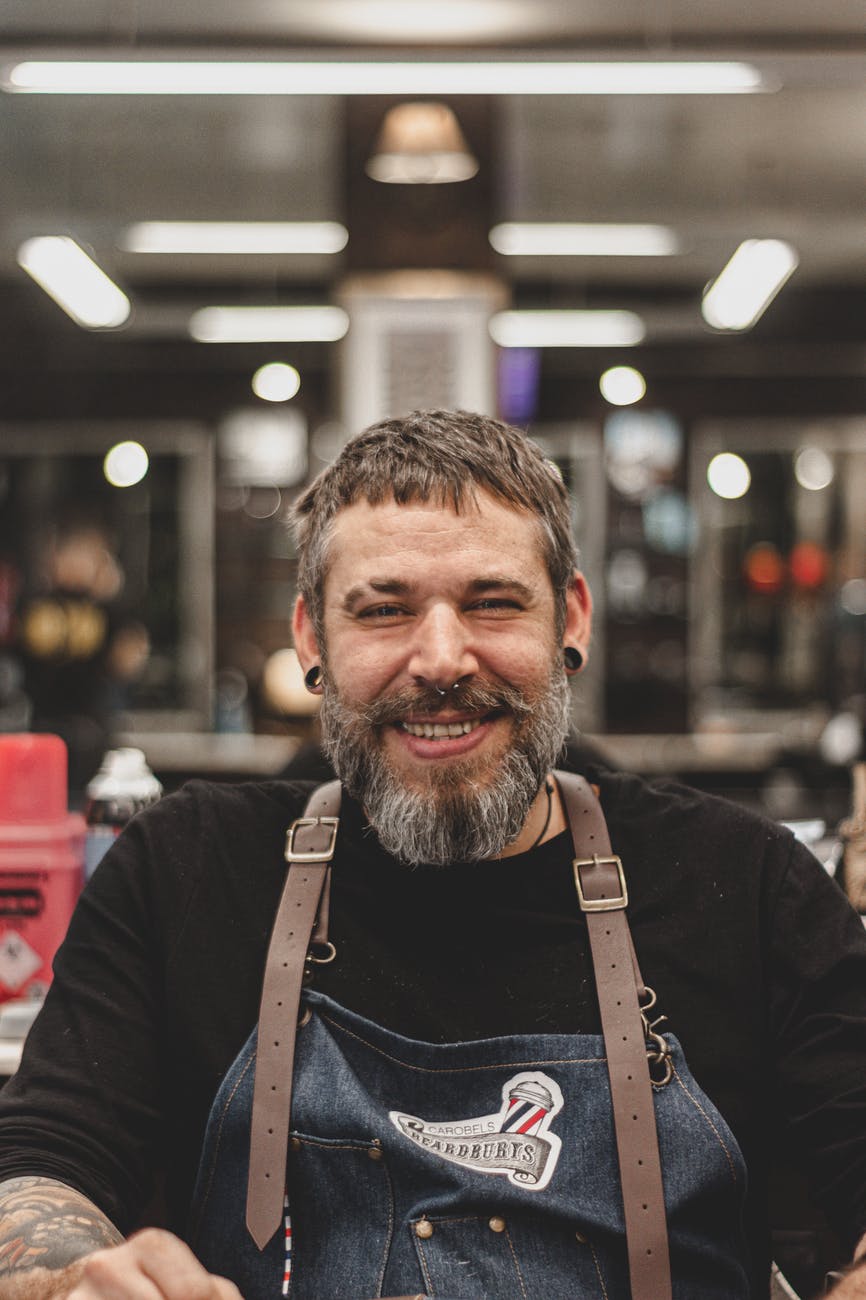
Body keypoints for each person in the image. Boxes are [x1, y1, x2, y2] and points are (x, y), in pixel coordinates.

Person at [0, 408, 864, 1300]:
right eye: (385, 610)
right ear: (312, 638)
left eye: (493, 603)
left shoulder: (746, 883)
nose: (443, 660)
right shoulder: (183, 871)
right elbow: (38, 1166)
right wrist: (70, 1280)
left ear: (570, 619)